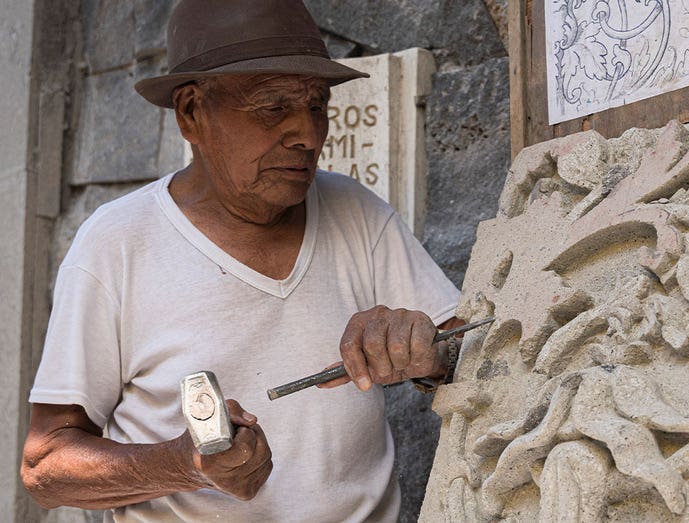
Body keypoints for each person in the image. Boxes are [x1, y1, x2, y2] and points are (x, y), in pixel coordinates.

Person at [19, 1, 462, 521]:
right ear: (190, 113)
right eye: (273, 107)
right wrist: (184, 464)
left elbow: (473, 351)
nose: (308, 134)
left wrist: (428, 355)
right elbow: (46, 467)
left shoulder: (359, 213)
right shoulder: (117, 243)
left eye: (316, 106)